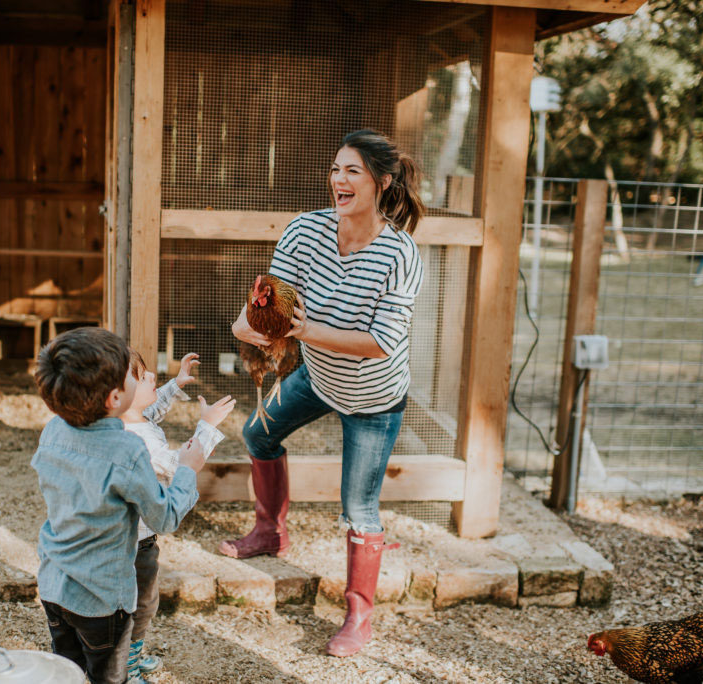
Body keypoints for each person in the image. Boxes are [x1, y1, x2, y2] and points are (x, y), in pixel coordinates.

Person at [223, 129, 424, 657]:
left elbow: (381, 343)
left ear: (380, 183)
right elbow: (276, 301)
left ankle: (359, 614)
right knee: (257, 434)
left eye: (352, 171)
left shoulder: (400, 254)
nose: (338, 179)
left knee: (358, 506)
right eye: (335, 169)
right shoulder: (304, 231)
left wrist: (302, 331)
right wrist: (249, 322)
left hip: (373, 396)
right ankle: (270, 532)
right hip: (317, 374)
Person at [31, 327, 206, 684]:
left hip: (53, 584)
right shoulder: (128, 451)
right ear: (114, 397)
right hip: (102, 598)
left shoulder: (53, 429)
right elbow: (166, 516)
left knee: (67, 672)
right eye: (132, 375)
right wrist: (187, 470)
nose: (145, 377)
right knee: (108, 677)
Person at [118, 350, 235, 682]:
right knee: (138, 607)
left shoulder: (127, 420)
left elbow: (150, 411)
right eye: (142, 377)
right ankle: (125, 665)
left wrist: (174, 385)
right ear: (118, 395)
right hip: (135, 546)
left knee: (142, 604)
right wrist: (207, 426)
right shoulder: (139, 442)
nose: (152, 375)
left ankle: (131, 654)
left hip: (134, 542)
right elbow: (181, 464)